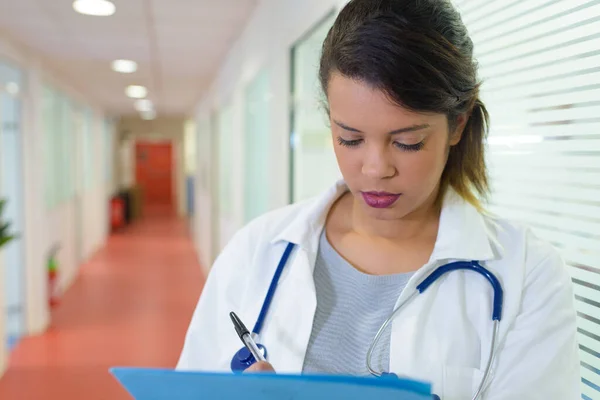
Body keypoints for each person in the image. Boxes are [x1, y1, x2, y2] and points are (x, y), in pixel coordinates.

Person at [176, 0, 580, 399]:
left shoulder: (528, 275)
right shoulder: (256, 251)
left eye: (407, 142)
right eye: (349, 138)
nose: (375, 169)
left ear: (457, 124)